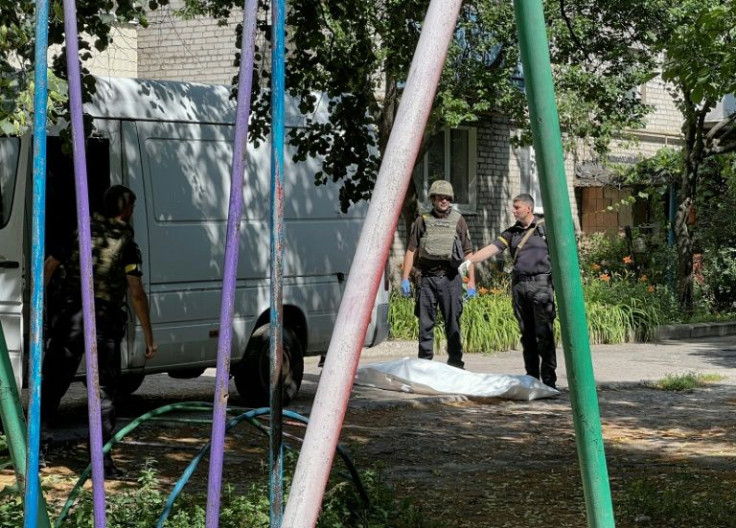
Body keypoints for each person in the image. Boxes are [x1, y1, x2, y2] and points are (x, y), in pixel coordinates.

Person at [42, 185, 157, 478]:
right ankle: (102, 463)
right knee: (104, 394)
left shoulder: (79, 232)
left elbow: (49, 266)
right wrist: (148, 335)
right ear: (126, 208)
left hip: (71, 317)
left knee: (53, 385)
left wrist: (41, 307)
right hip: (103, 320)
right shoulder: (127, 244)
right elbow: (136, 292)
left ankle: (36, 453)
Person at [460, 193, 557, 388]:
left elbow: (561, 253)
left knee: (544, 334)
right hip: (519, 286)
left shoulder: (545, 229)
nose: (513, 211)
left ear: (529, 208)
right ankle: (532, 379)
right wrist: (469, 261)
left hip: (541, 286)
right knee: (526, 334)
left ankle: (548, 381)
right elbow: (492, 248)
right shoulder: (512, 232)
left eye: (517, 207)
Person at [400, 180, 475, 369]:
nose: (444, 200)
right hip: (427, 279)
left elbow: (469, 253)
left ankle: (456, 365)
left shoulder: (458, 220)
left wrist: (472, 281)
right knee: (425, 325)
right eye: (440, 197)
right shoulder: (422, 220)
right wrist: (404, 278)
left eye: (447, 198)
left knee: (453, 324)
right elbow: (411, 250)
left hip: (451, 279)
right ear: (432, 199)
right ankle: (425, 365)